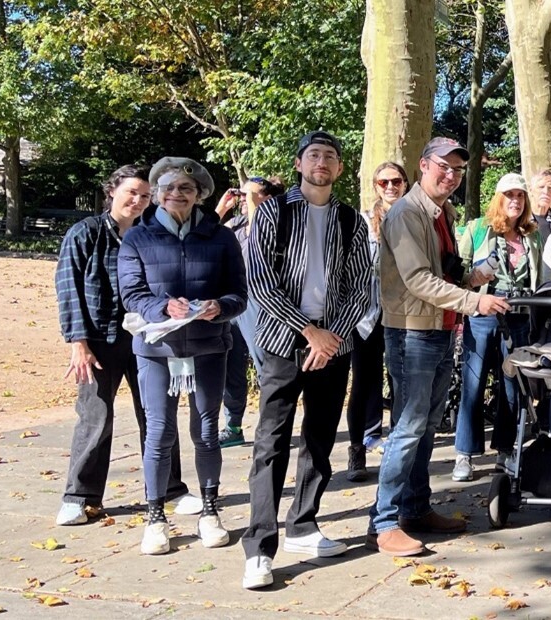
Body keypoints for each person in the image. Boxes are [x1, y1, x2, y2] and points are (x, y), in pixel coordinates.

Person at [242, 131, 374, 587]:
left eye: (331, 157)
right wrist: (310, 332)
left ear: (339, 169)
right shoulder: (273, 212)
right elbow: (259, 281)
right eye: (314, 155)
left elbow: (362, 286)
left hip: (334, 345)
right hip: (283, 341)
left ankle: (303, 523)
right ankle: (259, 546)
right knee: (271, 441)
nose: (322, 162)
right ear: (299, 164)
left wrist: (331, 338)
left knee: (319, 437)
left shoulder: (350, 220)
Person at [368, 137, 506, 558]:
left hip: (441, 329)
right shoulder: (407, 213)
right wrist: (475, 301)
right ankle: (384, 521)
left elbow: (442, 276)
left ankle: (415, 507)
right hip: (412, 334)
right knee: (408, 429)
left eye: (458, 170)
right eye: (443, 167)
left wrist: (471, 279)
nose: (450, 176)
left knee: (426, 428)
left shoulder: (442, 213)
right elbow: (418, 282)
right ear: (423, 166)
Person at [55, 165, 199, 526]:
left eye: (145, 195)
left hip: (147, 336)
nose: (137, 200)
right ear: (112, 192)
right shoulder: (84, 233)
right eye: (131, 192)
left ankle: (170, 488)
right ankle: (80, 496)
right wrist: (78, 343)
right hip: (99, 340)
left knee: (157, 415)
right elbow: (68, 289)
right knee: (95, 416)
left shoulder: (152, 234)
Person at [119, 156, 247, 555]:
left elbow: (239, 294)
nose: (177, 194)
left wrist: (219, 307)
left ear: (200, 195)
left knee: (207, 430)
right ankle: (156, 518)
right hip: (158, 349)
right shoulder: (137, 238)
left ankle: (211, 511)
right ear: (157, 193)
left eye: (186, 189)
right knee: (158, 431)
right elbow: (132, 292)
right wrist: (163, 308)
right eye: (169, 188)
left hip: (210, 346)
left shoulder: (221, 237)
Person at [455, 172, 544, 481]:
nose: (515, 201)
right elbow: (456, 274)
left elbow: (540, 279)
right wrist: (475, 278)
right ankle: (464, 454)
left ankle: (506, 450)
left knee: (512, 384)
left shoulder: (532, 234)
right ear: (499, 198)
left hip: (520, 314)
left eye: (520, 196)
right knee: (474, 382)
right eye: (509, 195)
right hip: (482, 313)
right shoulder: (478, 229)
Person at [214, 175, 283, 448]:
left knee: (266, 365)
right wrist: (220, 210)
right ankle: (233, 426)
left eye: (250, 195)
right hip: (231, 301)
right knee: (230, 367)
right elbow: (202, 235)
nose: (243, 200)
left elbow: (260, 243)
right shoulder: (234, 225)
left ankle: (273, 424)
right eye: (242, 195)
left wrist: (255, 204)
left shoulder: (275, 221)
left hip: (257, 301)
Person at [348, 162, 408, 472]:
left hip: (403, 315)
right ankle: (358, 447)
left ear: (405, 184)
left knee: (400, 381)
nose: (390, 187)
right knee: (364, 382)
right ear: (375, 186)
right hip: (366, 316)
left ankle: (397, 448)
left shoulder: (414, 219)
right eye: (383, 182)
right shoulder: (360, 222)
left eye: (396, 181)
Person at [529, 169, 551, 240]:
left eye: (550, 188)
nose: (546, 192)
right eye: (541, 187)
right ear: (531, 190)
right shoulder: (521, 220)